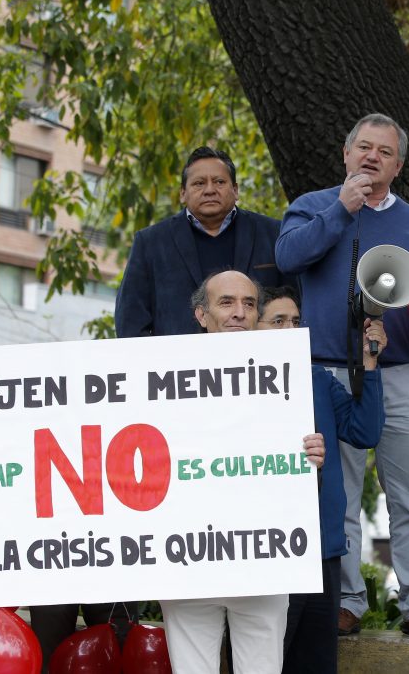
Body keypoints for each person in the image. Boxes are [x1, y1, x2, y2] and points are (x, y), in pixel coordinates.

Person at [276, 112, 409, 638]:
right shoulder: (312, 206)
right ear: (345, 154)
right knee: (340, 493)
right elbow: (288, 255)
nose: (370, 157)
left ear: (397, 165)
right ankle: (347, 600)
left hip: (399, 371)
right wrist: (341, 211)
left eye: (383, 151)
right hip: (328, 371)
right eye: (362, 147)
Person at [160, 271, 332, 674]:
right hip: (189, 564)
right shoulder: (159, 377)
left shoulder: (285, 381)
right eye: (226, 303)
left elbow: (298, 481)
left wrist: (310, 461)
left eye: (249, 304)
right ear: (201, 315)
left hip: (263, 563)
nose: (239, 313)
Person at [258, 287, 385, 673]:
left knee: (314, 663)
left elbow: (363, 432)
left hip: (321, 551)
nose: (289, 328)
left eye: (296, 322)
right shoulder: (232, 383)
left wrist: (370, 362)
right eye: (277, 321)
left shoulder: (316, 378)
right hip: (267, 552)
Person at [114, 146, 290, 337]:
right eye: (199, 183)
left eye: (219, 182)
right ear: (182, 193)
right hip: (177, 363)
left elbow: (294, 304)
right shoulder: (150, 242)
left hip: (259, 362)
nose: (209, 190)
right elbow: (130, 319)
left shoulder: (274, 234)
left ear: (236, 189)